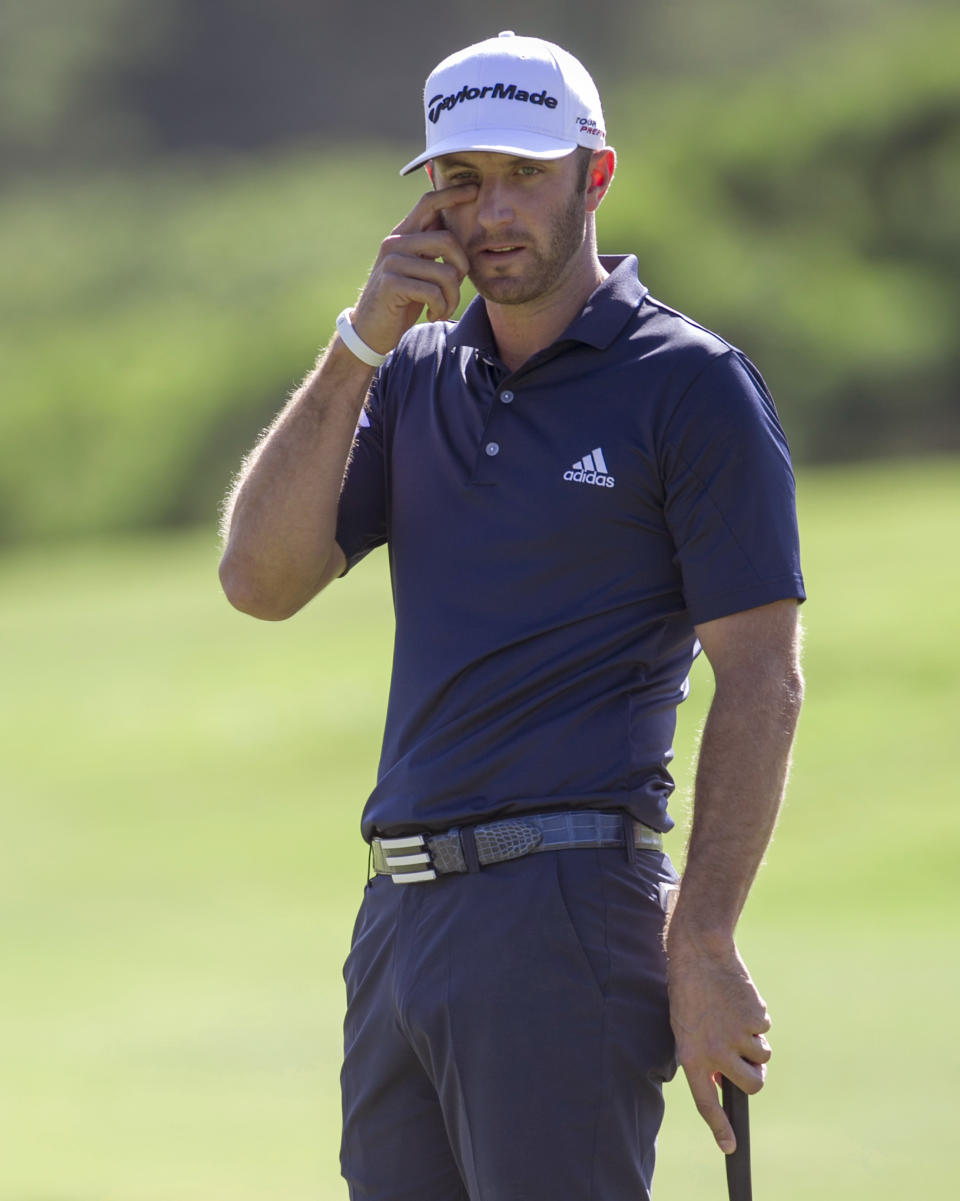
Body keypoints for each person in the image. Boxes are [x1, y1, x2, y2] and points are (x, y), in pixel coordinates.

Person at [218, 30, 805, 1201]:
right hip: (398, 924)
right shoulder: (414, 377)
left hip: (566, 917)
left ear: (596, 175)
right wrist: (357, 346)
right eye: (460, 178)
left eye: (526, 174)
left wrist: (703, 938)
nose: (490, 210)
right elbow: (260, 581)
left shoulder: (687, 383)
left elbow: (761, 678)